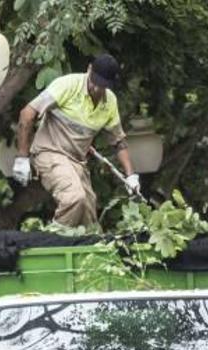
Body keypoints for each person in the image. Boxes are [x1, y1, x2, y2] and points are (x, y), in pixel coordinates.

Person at [13, 54, 138, 227]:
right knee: (74, 197)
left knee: (88, 220)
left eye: (102, 85)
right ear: (89, 69)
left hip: (76, 162)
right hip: (50, 152)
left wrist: (131, 176)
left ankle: (81, 250)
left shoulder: (109, 102)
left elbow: (118, 141)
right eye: (94, 81)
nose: (95, 88)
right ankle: (52, 244)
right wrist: (22, 157)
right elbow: (27, 114)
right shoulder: (67, 86)